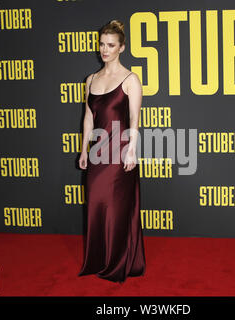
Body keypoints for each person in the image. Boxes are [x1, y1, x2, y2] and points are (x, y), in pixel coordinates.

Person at [77, 19, 146, 283]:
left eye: (110, 45)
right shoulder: (91, 80)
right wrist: (84, 150)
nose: (104, 50)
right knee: (96, 205)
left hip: (120, 153)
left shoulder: (130, 79)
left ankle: (117, 264)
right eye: (102, 45)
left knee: (117, 210)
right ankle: (97, 259)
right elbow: (88, 118)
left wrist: (132, 151)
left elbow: (135, 119)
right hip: (97, 154)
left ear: (121, 48)